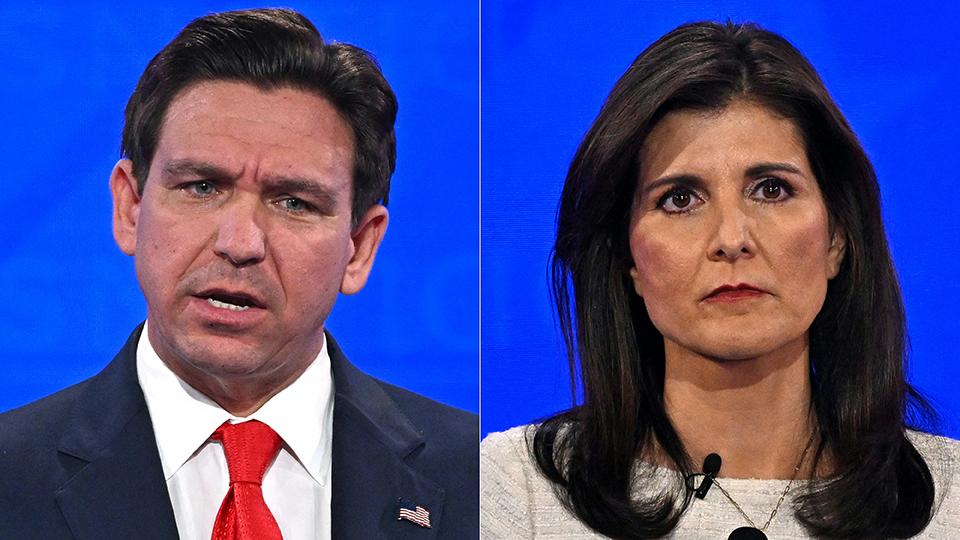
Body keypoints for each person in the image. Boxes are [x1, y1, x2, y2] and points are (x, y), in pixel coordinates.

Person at [0, 8, 477, 540]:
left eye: (294, 202)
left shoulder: (477, 478)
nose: (240, 244)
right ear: (130, 209)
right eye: (202, 186)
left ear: (359, 247)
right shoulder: (10, 476)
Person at [481, 20, 960, 539]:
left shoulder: (950, 498)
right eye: (680, 199)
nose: (731, 239)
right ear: (628, 259)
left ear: (836, 238)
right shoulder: (516, 488)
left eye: (771, 190)